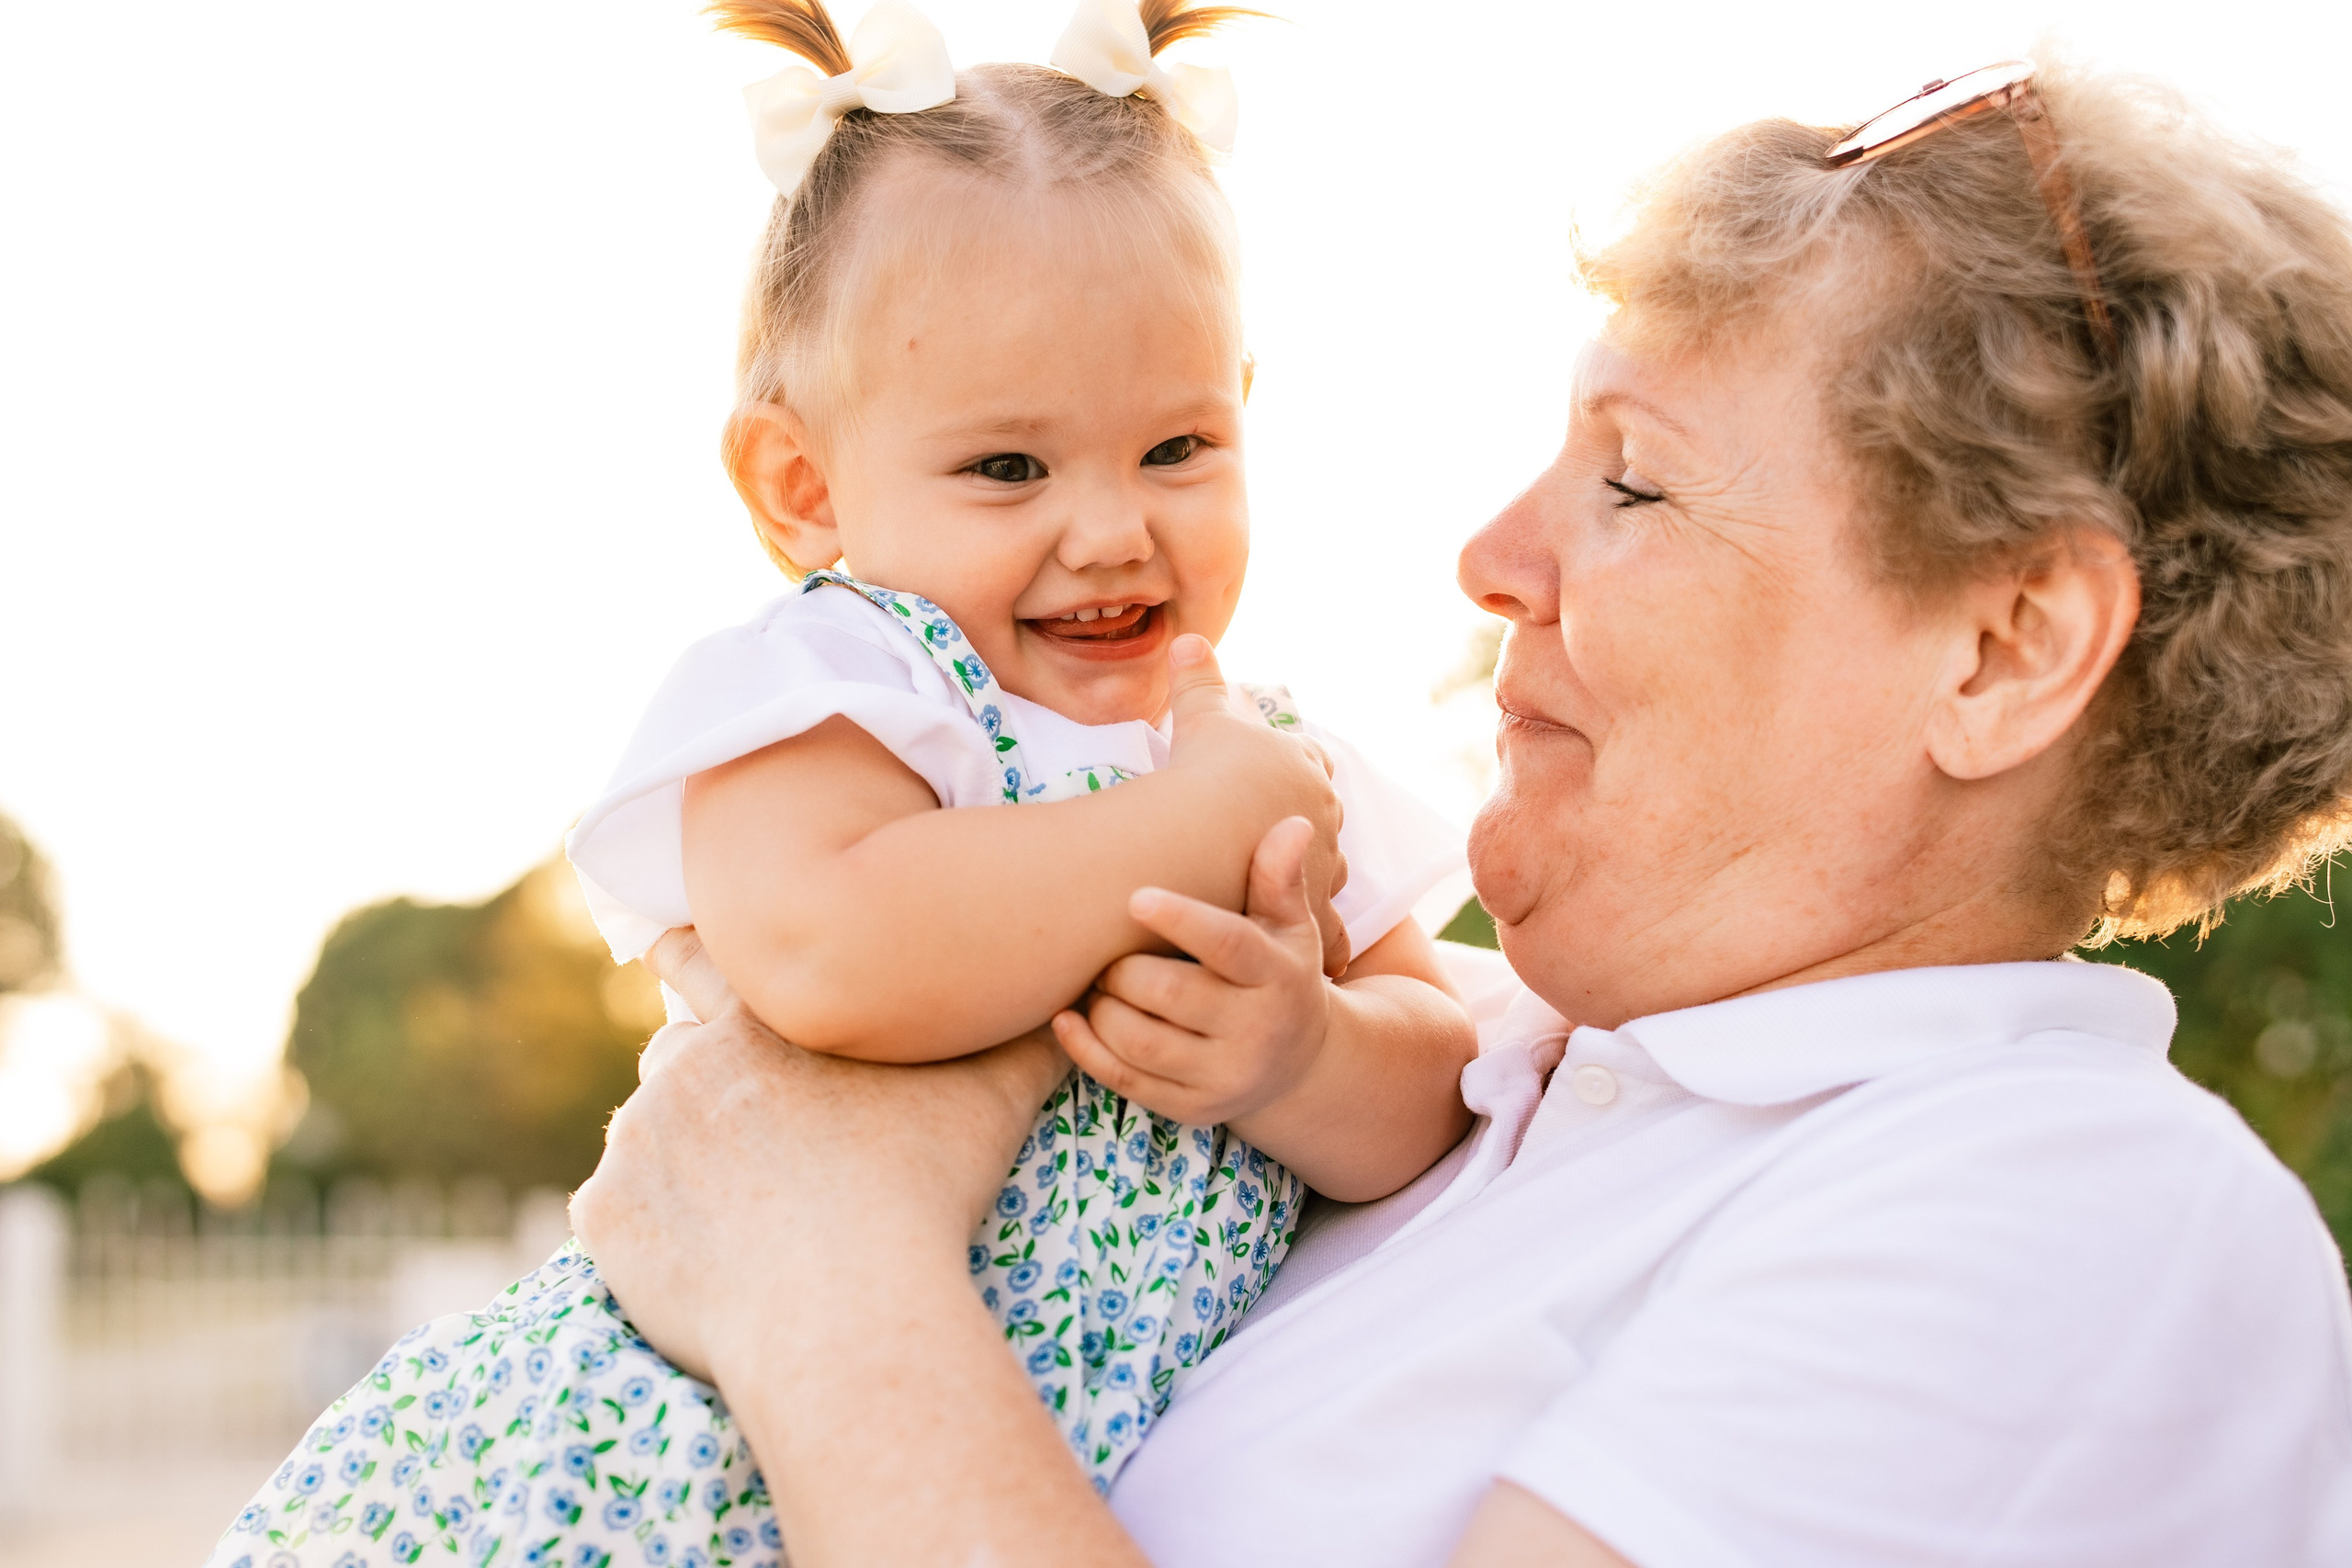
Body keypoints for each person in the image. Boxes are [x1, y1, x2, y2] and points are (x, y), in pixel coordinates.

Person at [569, 55, 2352, 1568]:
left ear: (2000, 649)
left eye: (1633, 480)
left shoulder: (2071, 1220)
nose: (1489, 559)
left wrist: (824, 1280)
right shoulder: (1467, 1070)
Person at [205, 3, 1477, 1565]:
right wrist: (1190, 829)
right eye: (1009, 468)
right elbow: (834, 950)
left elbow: (1439, 1066)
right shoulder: (851, 687)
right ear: (803, 489)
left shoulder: (1273, 751)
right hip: (661, 1453)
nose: (1108, 530)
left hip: (967, 1480)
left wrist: (1307, 1054)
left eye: (1176, 447)